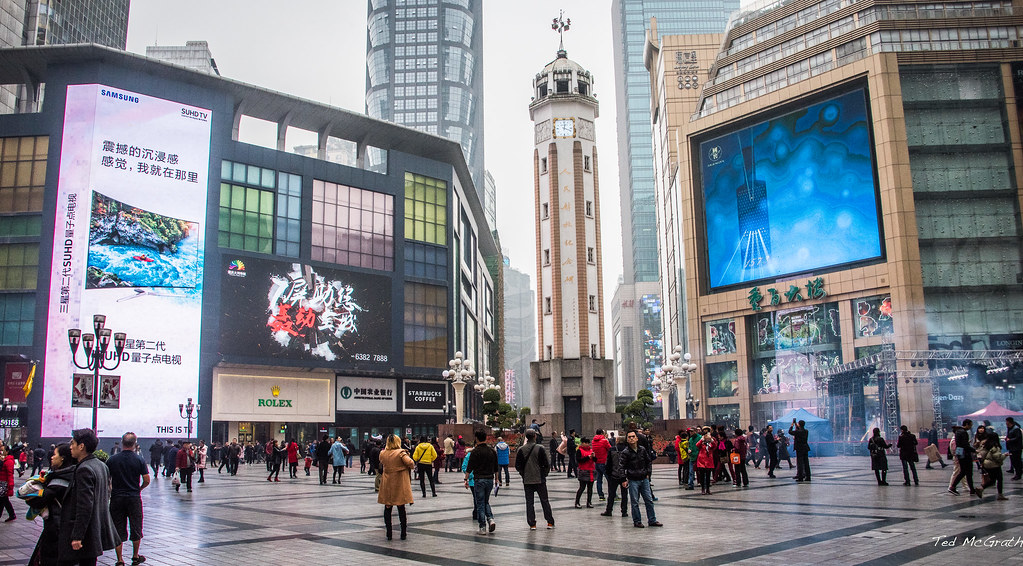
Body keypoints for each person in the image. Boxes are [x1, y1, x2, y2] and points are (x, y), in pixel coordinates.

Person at [59, 429, 120, 565]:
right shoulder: (101, 466)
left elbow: (85, 505)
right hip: (96, 529)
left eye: (72, 443)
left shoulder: (84, 469)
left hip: (86, 534)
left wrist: (77, 536)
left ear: (81, 446)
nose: (70, 446)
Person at [106, 433, 150, 566]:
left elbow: (108, 479)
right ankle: (135, 556)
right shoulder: (139, 459)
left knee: (118, 527)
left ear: (122, 442)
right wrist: (139, 489)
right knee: (136, 526)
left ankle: (119, 559)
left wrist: (112, 489)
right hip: (133, 497)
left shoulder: (112, 460)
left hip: (117, 498)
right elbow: (147, 480)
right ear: (135, 444)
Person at [27, 443, 75, 564]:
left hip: (56, 531)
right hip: (66, 530)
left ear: (62, 458)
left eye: (55, 454)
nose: (52, 457)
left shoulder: (58, 481)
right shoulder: (73, 475)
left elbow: (37, 501)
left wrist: (28, 493)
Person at [616, 430, 662, 528]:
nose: (631, 438)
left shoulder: (642, 449)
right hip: (633, 480)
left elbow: (648, 461)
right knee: (635, 502)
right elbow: (621, 467)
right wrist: (623, 479)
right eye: (629, 437)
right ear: (627, 440)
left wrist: (648, 473)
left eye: (633, 436)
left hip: (644, 478)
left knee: (649, 500)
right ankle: (637, 521)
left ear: (637, 438)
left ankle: (652, 520)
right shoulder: (625, 452)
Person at [376, 434, 415, 540]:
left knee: (387, 507)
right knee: (401, 507)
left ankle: (389, 533)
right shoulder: (401, 453)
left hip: (387, 482)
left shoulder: (383, 453)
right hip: (399, 482)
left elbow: (381, 462)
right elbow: (411, 463)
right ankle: (403, 532)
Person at [515, 429, 555, 530]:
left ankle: (532, 524)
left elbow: (517, 466)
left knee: (529, 502)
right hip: (540, 479)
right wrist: (544, 475)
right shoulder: (540, 448)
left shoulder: (521, 449)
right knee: (544, 501)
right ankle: (549, 522)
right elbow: (546, 464)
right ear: (535, 436)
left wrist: (523, 474)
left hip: (527, 480)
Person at [464, 430, 498, 535]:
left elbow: (469, 467)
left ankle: (482, 527)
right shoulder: (492, 451)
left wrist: (466, 479)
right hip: (490, 479)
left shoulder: (475, 452)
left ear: (477, 438)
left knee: (480, 503)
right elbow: (496, 467)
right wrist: (497, 479)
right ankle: (491, 519)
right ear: (485, 438)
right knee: (486, 501)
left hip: (479, 479)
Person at [601, 436, 629, 518]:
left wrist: (608, 473)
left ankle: (609, 510)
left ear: (617, 440)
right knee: (624, 494)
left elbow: (608, 462)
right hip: (624, 475)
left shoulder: (612, 449)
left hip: (614, 474)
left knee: (611, 494)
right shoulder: (627, 449)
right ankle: (624, 511)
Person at [949, 419, 978, 496]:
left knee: (966, 472)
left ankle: (971, 489)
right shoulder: (963, 432)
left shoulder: (958, 432)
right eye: (970, 425)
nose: (971, 427)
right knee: (965, 472)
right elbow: (965, 445)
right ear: (967, 424)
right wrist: (974, 450)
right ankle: (953, 487)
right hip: (965, 454)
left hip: (960, 453)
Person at [979, 430, 1008, 500]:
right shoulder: (995, 447)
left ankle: (981, 488)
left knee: (992, 480)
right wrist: (1005, 455)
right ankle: (1000, 494)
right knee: (999, 479)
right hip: (994, 465)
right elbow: (998, 458)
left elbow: (981, 454)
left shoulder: (985, 445)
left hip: (987, 464)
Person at [574, 437, 595, 508]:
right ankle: (577, 502)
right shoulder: (579, 451)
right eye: (585, 443)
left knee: (590, 488)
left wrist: (593, 457)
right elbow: (579, 460)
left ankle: (589, 502)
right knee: (582, 487)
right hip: (583, 471)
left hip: (591, 471)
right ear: (582, 443)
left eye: (588, 443)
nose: (587, 444)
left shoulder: (591, 450)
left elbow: (595, 460)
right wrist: (588, 457)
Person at [592, 429, 612, 501]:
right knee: (609, 479)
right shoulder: (604, 441)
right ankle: (613, 494)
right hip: (604, 462)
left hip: (597, 462)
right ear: (602, 433)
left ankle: (601, 495)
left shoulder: (593, 441)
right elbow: (610, 449)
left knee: (599, 480)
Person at [0, 444, 14, 522]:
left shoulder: (8, 461)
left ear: (7, 451)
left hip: (4, 483)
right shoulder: (4, 460)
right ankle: (12, 514)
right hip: (2, 482)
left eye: (3, 450)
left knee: (2, 499)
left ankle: (12, 514)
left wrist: (10, 485)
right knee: (4, 500)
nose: (1, 452)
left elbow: (10, 474)